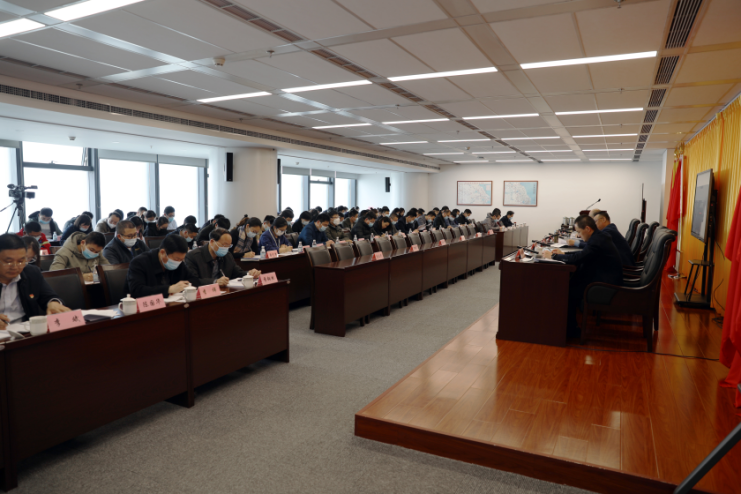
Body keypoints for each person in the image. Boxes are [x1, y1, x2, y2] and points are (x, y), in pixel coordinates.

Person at [543, 215, 624, 338]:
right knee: (572, 282)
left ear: (587, 229)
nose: (579, 236)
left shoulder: (597, 240)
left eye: (579, 232)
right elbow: (585, 253)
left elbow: (579, 258)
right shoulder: (599, 236)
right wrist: (563, 254)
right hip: (604, 277)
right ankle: (567, 326)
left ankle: (571, 331)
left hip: (606, 285)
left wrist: (554, 256)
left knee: (568, 291)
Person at [0, 234, 71, 326]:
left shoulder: (32, 273)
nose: (15, 266)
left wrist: (53, 303)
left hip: (26, 329)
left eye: (21, 261)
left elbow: (49, 296)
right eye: (8, 262)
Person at [124, 235, 199, 298]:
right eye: (176, 259)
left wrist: (185, 285)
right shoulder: (139, 262)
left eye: (181, 259)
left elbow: (194, 280)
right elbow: (137, 290)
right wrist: (169, 289)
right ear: (162, 252)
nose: (178, 262)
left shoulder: (179, 262)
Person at [185, 228, 260, 287]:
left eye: (229, 246)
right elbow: (193, 281)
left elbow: (237, 272)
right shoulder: (193, 256)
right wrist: (215, 282)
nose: (226, 248)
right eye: (224, 245)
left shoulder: (227, 255)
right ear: (212, 242)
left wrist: (249, 273)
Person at [568, 211, 635, 267]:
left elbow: (591, 246)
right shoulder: (606, 231)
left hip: (624, 267)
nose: (593, 224)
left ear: (603, 219)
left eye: (595, 221)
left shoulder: (608, 232)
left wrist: (575, 243)